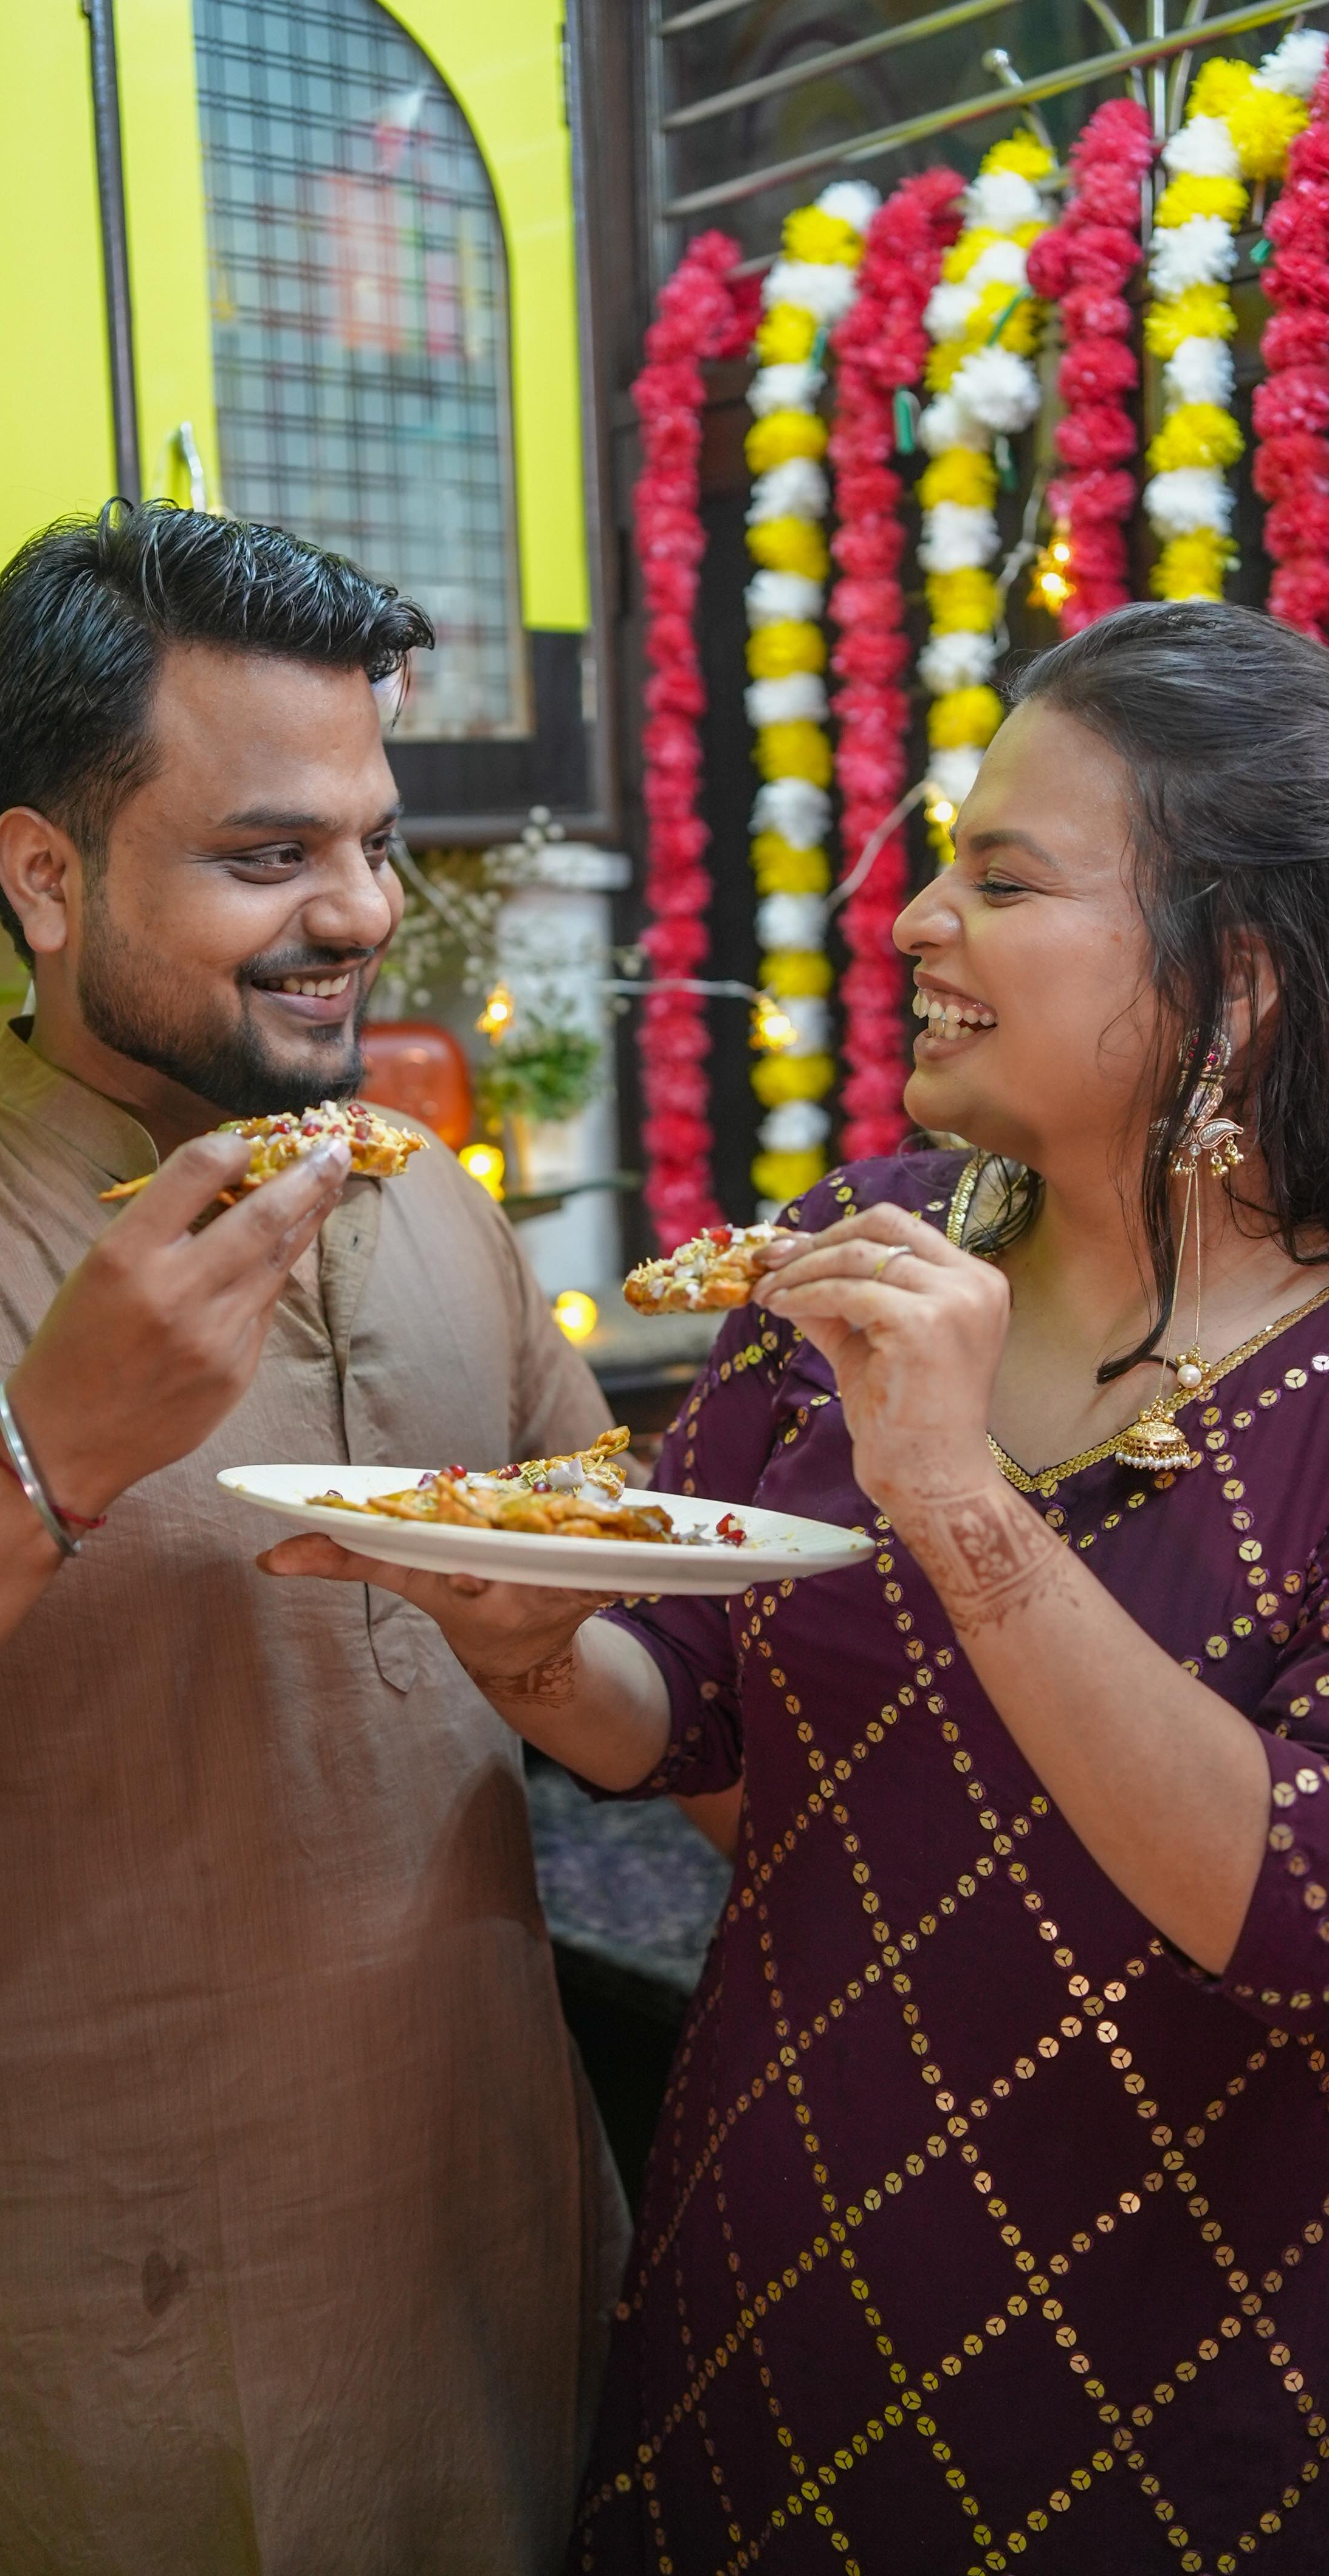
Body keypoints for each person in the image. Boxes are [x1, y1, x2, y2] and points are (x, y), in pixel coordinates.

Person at [269, 600, 1329, 2574]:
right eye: (938, 860)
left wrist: (952, 1490)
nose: (913, 919)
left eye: (999, 880)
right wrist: (525, 1645)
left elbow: (1293, 1912)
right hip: (777, 2256)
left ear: (1239, 977)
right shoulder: (863, 1242)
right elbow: (707, 1717)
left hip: (1176, 2357)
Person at [0, 501, 624, 2576]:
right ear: (45, 872)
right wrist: (47, 1453)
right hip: (94, 2348)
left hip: (498, 2252)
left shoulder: (426, 1202)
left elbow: (619, 1606)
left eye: (371, 844)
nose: (357, 911)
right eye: (267, 855)